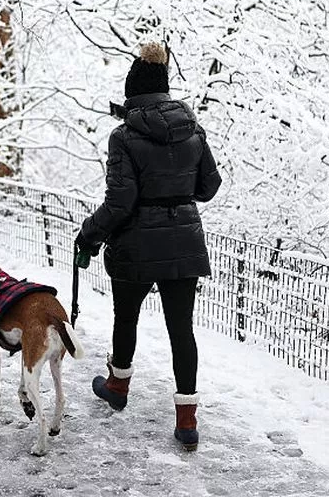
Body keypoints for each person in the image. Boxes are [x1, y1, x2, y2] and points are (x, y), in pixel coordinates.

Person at [75, 41, 222, 451]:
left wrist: (89, 233)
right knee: (182, 330)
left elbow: (120, 203)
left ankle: (118, 386)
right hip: (184, 241)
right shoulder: (192, 129)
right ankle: (187, 421)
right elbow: (209, 187)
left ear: (131, 94)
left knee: (127, 318)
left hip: (136, 245)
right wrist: (177, 188)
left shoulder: (124, 136)